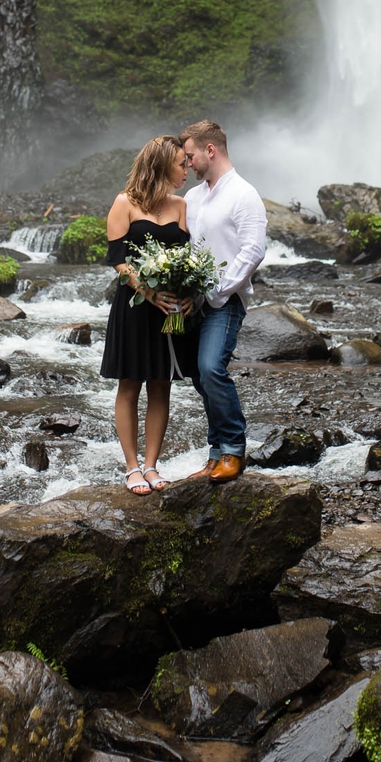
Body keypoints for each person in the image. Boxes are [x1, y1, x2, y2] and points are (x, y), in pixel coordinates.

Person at [101, 135, 197, 494]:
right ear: (159, 164)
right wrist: (148, 291)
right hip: (135, 307)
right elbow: (118, 261)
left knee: (161, 386)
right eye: (180, 163)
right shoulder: (124, 203)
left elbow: (189, 258)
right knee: (130, 384)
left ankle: (153, 465)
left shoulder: (181, 205)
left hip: (169, 309)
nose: (186, 168)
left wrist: (188, 294)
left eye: (187, 163)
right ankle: (131, 468)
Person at [179, 120, 267, 483]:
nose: (187, 165)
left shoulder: (244, 194)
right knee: (199, 374)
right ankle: (216, 453)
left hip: (225, 300)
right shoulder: (193, 197)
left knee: (212, 368)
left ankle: (233, 449)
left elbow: (254, 250)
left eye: (190, 156)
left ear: (209, 150)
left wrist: (219, 289)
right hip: (193, 301)